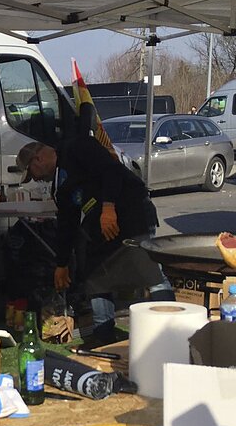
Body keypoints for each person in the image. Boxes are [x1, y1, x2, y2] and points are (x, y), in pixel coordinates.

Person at [16, 136, 174, 348]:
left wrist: (108, 207)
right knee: (96, 276)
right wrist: (62, 264)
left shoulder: (76, 146)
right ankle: (103, 336)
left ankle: (172, 326)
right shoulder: (59, 185)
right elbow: (67, 223)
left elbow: (111, 170)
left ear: (38, 159)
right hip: (102, 224)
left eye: (32, 174)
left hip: (131, 212)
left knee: (150, 272)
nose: (37, 179)